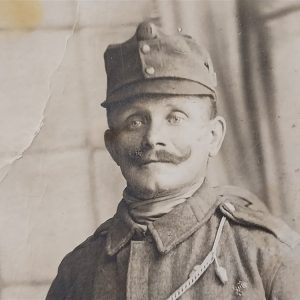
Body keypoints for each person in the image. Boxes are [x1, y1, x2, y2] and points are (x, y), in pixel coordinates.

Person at [46, 21, 300, 300]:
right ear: (112, 145)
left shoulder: (264, 254)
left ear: (213, 136)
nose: (153, 138)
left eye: (175, 117)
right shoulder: (78, 272)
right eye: (135, 121)